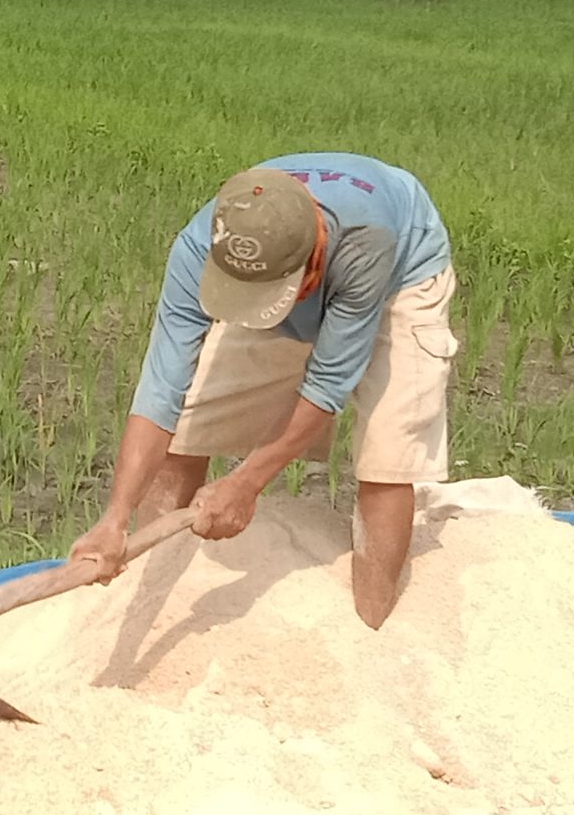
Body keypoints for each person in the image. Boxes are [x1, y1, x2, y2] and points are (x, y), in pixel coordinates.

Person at [68, 154, 457, 627]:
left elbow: (329, 384)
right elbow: (160, 391)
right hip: (272, 269)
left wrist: (246, 483)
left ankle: (371, 628)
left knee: (386, 462)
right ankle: (141, 601)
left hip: (402, 274)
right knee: (189, 431)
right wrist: (115, 517)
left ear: (310, 265)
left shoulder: (366, 242)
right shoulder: (205, 246)